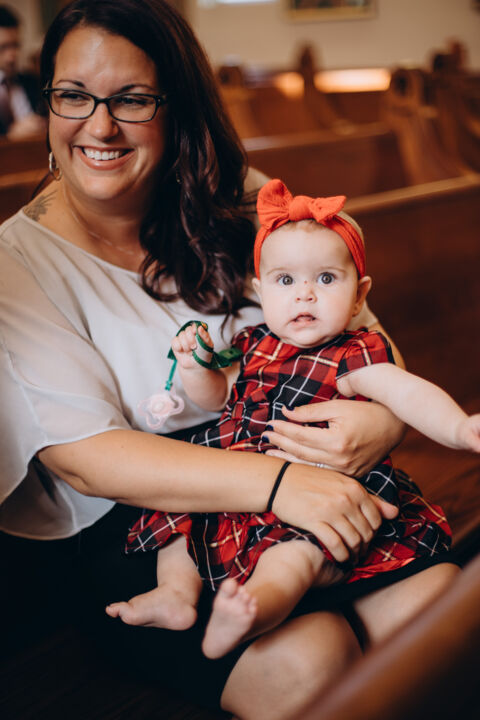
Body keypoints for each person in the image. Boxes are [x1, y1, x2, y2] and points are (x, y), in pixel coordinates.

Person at [0, 1, 459, 718]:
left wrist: (384, 424)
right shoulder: (16, 263)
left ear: (177, 105)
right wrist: (280, 485)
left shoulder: (241, 198)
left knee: (434, 613)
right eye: (73, 95)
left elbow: (368, 335)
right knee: (309, 663)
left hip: (313, 467)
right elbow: (87, 460)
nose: (99, 125)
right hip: (155, 524)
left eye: (132, 98)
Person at [107, 178, 477, 659]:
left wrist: (459, 427)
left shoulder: (354, 355)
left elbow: (408, 393)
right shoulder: (252, 343)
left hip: (317, 488)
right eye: (286, 281)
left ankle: (254, 609)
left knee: (294, 555)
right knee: (177, 518)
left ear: (359, 296)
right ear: (261, 292)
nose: (305, 295)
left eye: (326, 279)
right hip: (240, 479)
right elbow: (218, 398)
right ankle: (176, 594)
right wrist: (196, 369)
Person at [0, 4, 45, 138]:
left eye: (15, 45)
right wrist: (9, 137)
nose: (11, 56)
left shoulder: (32, 81)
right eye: (3, 47)